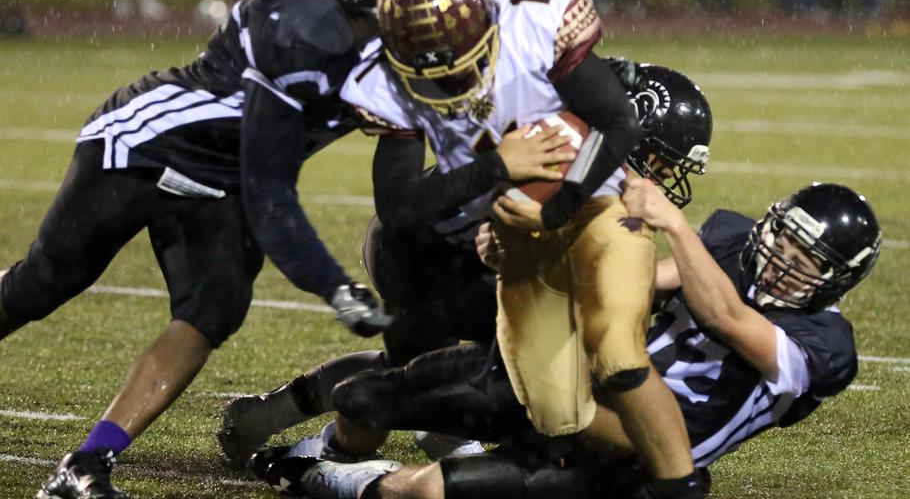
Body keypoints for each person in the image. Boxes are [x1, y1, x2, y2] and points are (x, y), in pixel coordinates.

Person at [10, 0, 435, 498]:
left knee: (213, 309)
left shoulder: (397, 40)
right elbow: (268, 190)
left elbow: (397, 190)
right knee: (45, 282)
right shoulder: (297, 22)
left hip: (221, 181)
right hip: (144, 147)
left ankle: (86, 464)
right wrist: (331, 285)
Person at [221, 59, 714, 499]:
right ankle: (321, 454)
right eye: (662, 160)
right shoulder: (568, 160)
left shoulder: (578, 141)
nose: (665, 175)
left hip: (449, 255)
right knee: (449, 380)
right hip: (423, 255)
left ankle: (275, 416)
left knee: (451, 372)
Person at [253, 181, 881, 499]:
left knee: (427, 491)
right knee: (371, 399)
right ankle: (318, 456)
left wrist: (672, 223)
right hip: (585, 392)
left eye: (807, 259)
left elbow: (725, 319)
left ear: (838, 281)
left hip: (641, 454)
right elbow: (642, 281)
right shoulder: (730, 250)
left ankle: (320, 476)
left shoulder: (825, 346)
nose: (781, 262)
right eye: (785, 241)